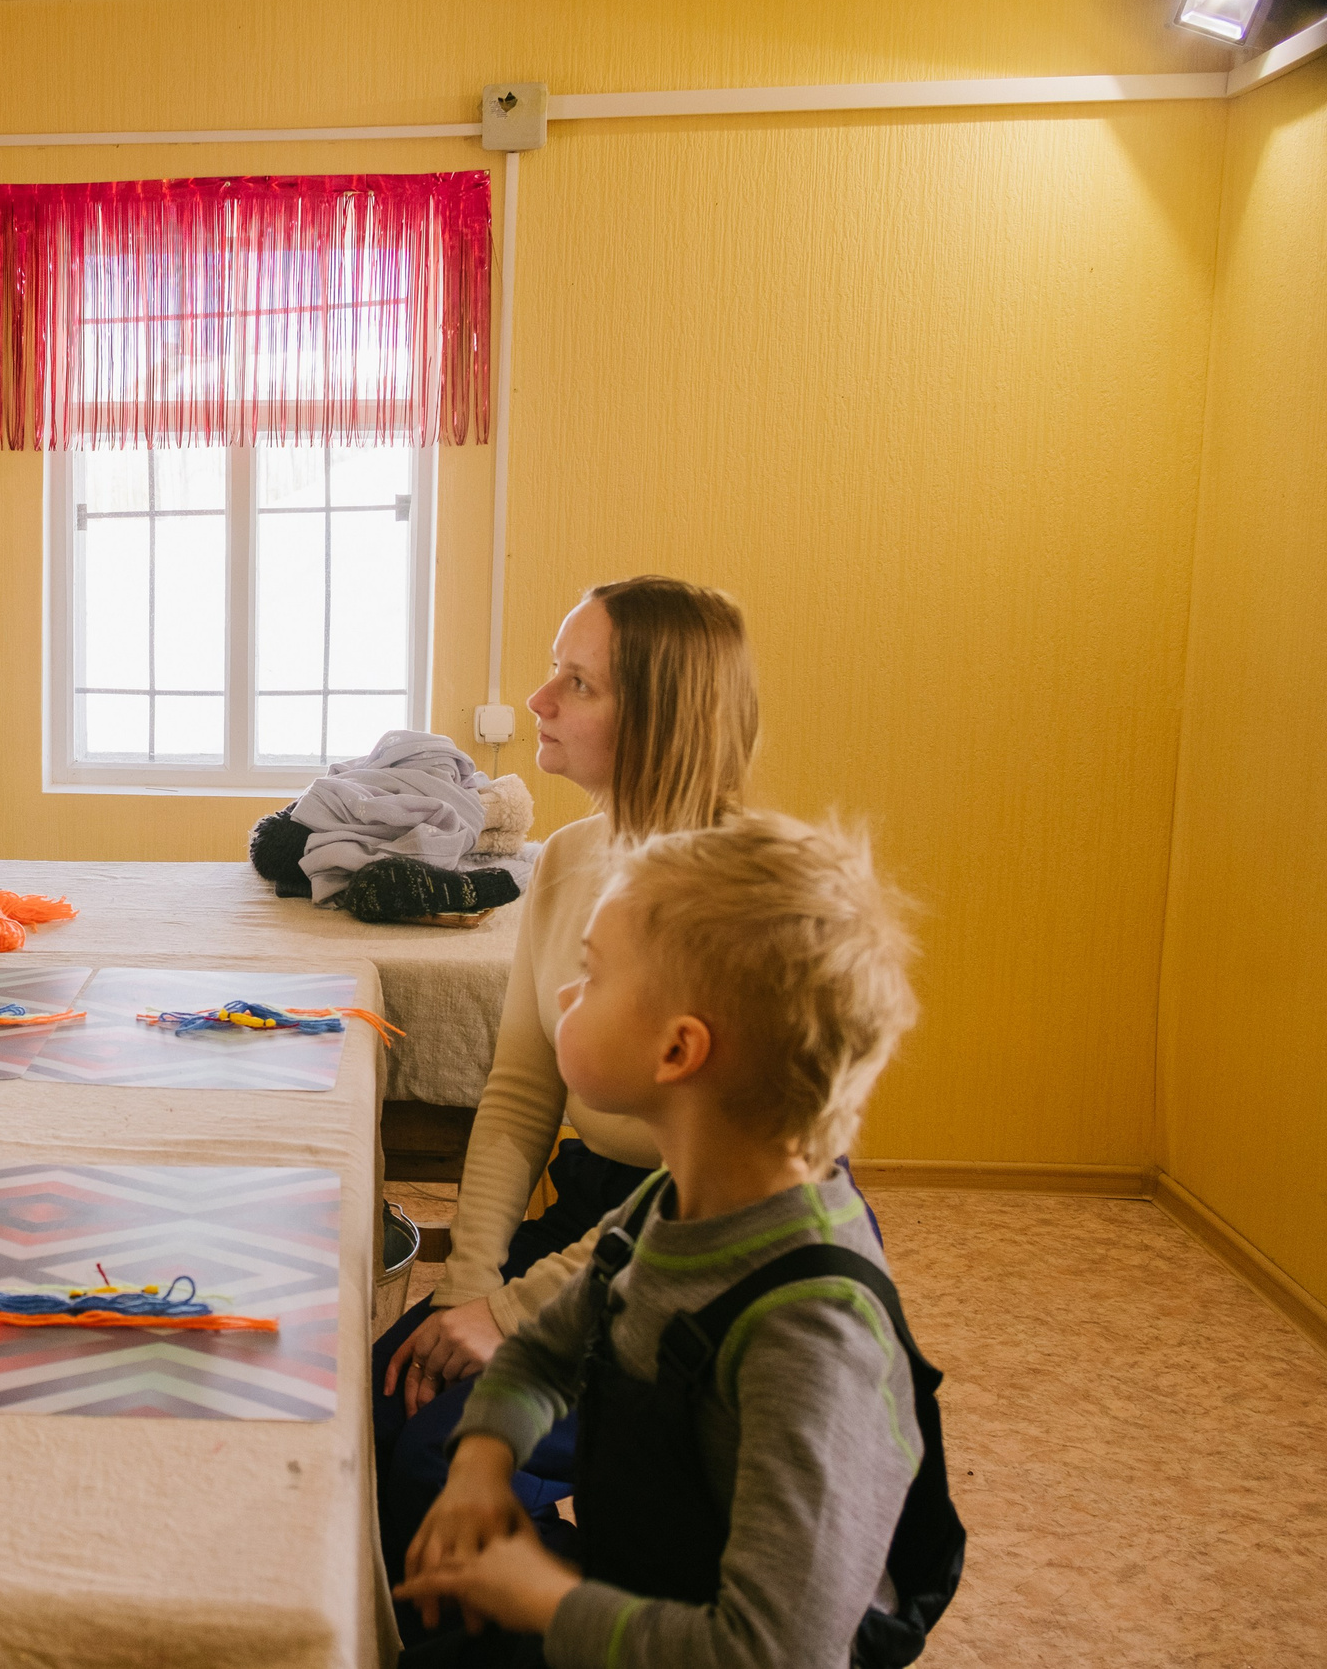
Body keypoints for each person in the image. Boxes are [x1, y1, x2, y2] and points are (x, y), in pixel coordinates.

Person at [394, 811, 957, 1668]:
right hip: (643, 1608)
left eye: (590, 975)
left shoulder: (810, 1337)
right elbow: (539, 1355)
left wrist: (545, 1598)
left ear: (678, 1050)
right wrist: (481, 1460)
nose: (565, 996)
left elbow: (772, 1651)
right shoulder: (667, 1207)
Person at [375, 577, 760, 1579]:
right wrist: (467, 1288)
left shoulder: (734, 900)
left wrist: (509, 1316)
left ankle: (615, 1621)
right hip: (597, 1214)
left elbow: (699, 1198)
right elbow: (517, 1092)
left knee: (432, 1457)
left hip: (699, 1258)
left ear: (659, 717)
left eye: (576, 683)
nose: (538, 700)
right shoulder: (570, 857)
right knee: (382, 1395)